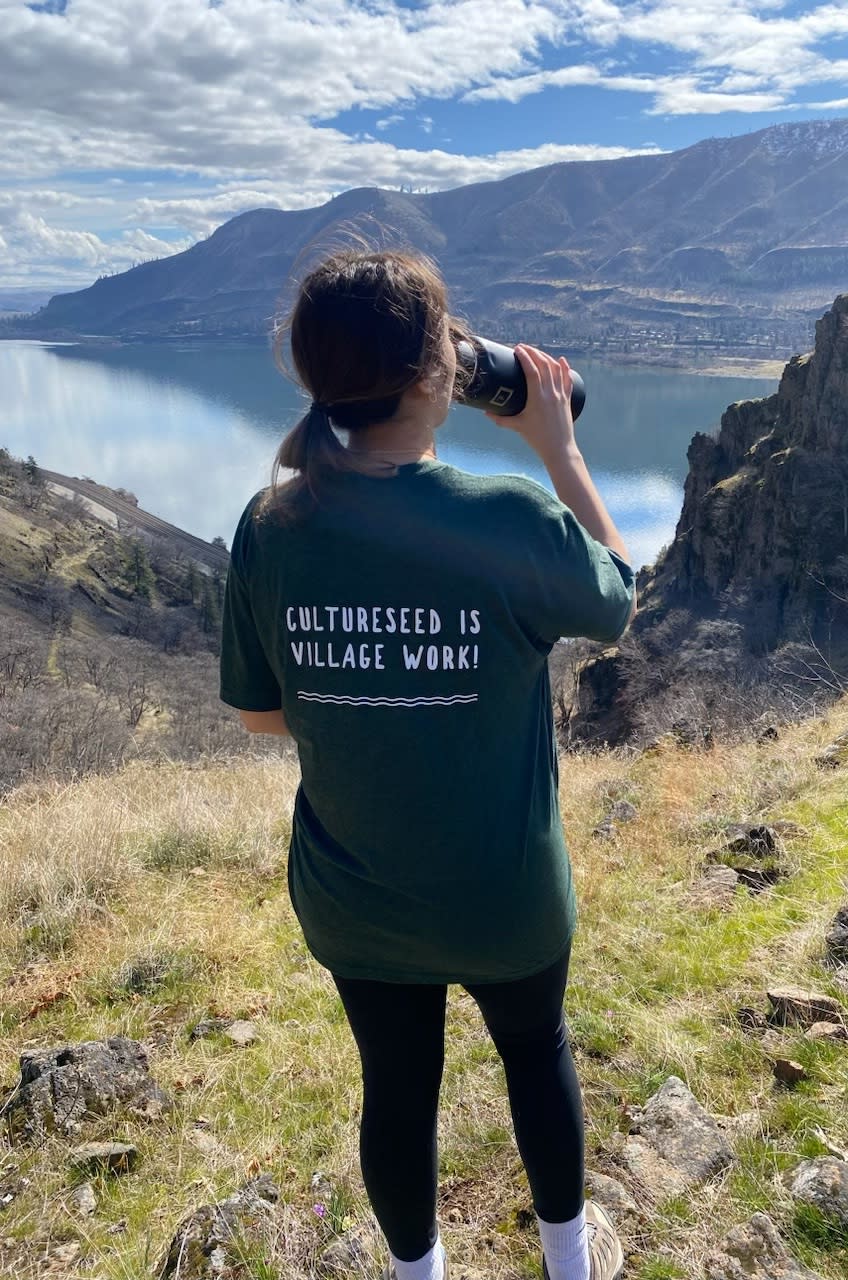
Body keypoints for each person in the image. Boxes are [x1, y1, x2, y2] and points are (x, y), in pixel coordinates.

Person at [219, 249, 637, 1280]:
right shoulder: (506, 520)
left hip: (356, 894)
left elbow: (264, 718)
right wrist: (559, 448)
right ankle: (571, 1263)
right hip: (506, 892)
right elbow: (616, 601)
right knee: (535, 1056)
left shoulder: (272, 527)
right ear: (436, 376)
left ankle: (419, 1273)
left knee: (396, 1085)